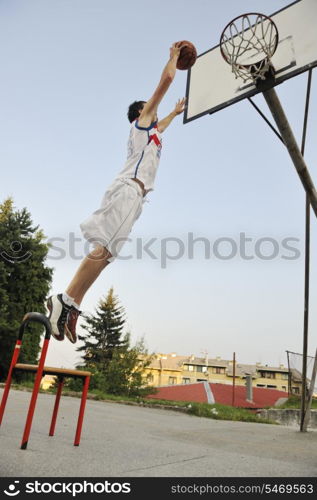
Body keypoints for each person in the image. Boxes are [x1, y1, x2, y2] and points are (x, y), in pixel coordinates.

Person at [47, 42, 187, 344]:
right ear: (141, 112)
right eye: (153, 110)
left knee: (107, 254)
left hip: (136, 199)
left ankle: (71, 305)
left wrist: (175, 113)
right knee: (103, 248)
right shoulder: (141, 122)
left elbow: (161, 126)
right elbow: (166, 81)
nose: (157, 113)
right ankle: (63, 298)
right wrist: (173, 58)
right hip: (127, 190)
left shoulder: (152, 131)